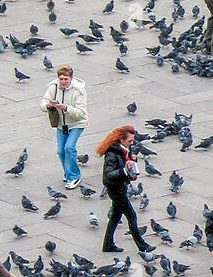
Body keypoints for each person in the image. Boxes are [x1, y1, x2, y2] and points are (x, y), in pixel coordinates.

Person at [96, 125, 152, 254]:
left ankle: (108, 245)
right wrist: (124, 170)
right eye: (130, 141)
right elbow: (108, 175)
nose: (132, 143)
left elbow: (127, 163)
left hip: (121, 187)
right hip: (116, 190)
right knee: (132, 216)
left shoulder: (125, 149)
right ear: (121, 140)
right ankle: (142, 245)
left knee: (115, 217)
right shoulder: (112, 154)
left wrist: (132, 161)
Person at [40, 66, 88, 188]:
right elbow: (43, 103)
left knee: (69, 148)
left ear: (71, 78)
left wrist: (66, 108)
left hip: (77, 123)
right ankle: (67, 171)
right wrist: (48, 105)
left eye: (66, 79)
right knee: (60, 151)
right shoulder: (53, 87)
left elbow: (81, 113)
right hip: (61, 124)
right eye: (61, 78)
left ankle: (74, 176)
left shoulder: (79, 90)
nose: (63, 81)